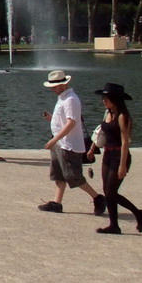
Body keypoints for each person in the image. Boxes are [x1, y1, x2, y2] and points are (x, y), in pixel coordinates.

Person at [38, 70, 106, 215]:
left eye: (55, 86)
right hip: (60, 142)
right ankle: (57, 202)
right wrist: (52, 119)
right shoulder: (63, 97)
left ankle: (97, 197)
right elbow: (65, 120)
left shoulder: (71, 99)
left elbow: (71, 123)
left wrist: (54, 139)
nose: (52, 89)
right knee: (58, 174)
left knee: (73, 175)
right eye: (52, 86)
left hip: (68, 144)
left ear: (64, 84)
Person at [86, 83, 142, 234]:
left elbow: (126, 141)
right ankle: (114, 225)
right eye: (103, 98)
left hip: (120, 155)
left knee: (111, 192)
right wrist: (93, 148)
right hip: (107, 154)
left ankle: (138, 213)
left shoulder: (122, 116)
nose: (103, 101)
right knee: (107, 191)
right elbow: (101, 132)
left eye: (106, 98)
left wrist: (122, 165)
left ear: (115, 99)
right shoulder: (107, 113)